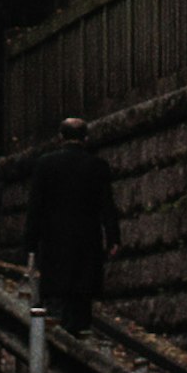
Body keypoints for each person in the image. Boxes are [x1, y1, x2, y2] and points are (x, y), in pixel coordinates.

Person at [21, 120, 121, 335]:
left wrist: (30, 242)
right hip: (86, 241)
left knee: (57, 295)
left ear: (60, 137)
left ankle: (57, 339)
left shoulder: (45, 165)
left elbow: (35, 207)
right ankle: (79, 336)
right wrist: (113, 238)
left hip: (54, 240)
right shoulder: (97, 166)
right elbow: (107, 207)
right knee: (82, 296)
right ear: (85, 138)